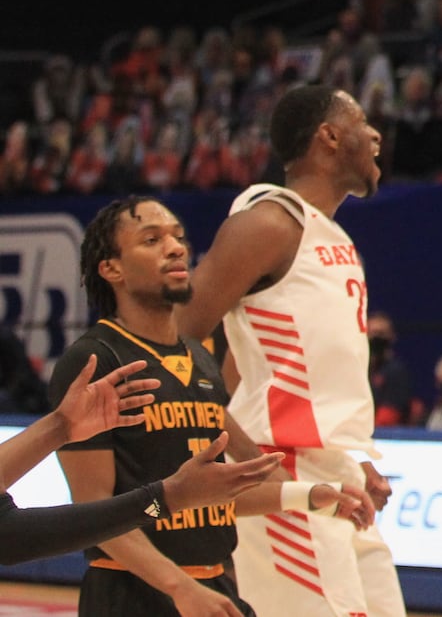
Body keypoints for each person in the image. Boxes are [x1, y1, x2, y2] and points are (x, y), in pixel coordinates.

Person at [50, 197, 369, 616]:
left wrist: (310, 495)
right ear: (112, 269)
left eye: (178, 237)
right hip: (133, 594)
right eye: (152, 239)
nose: (176, 247)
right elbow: (94, 514)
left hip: (213, 583)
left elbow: (205, 498)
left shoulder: (200, 361)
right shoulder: (95, 361)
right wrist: (180, 587)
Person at [176, 85, 405, 617]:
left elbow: (244, 360)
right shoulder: (269, 221)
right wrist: (249, 458)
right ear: (328, 137)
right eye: (361, 122)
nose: (375, 134)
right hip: (282, 471)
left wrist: (346, 456)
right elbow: (174, 346)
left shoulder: (333, 237)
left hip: (332, 471)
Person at [3, 353, 279, 568]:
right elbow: (9, 539)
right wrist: (167, 497)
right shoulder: (93, 353)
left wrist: (60, 427)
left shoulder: (192, 356)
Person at [365, 311, 415, 427]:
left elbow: (388, 419)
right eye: (372, 333)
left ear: (392, 337)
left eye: (381, 333)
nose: (376, 338)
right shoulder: (360, 371)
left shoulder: (395, 372)